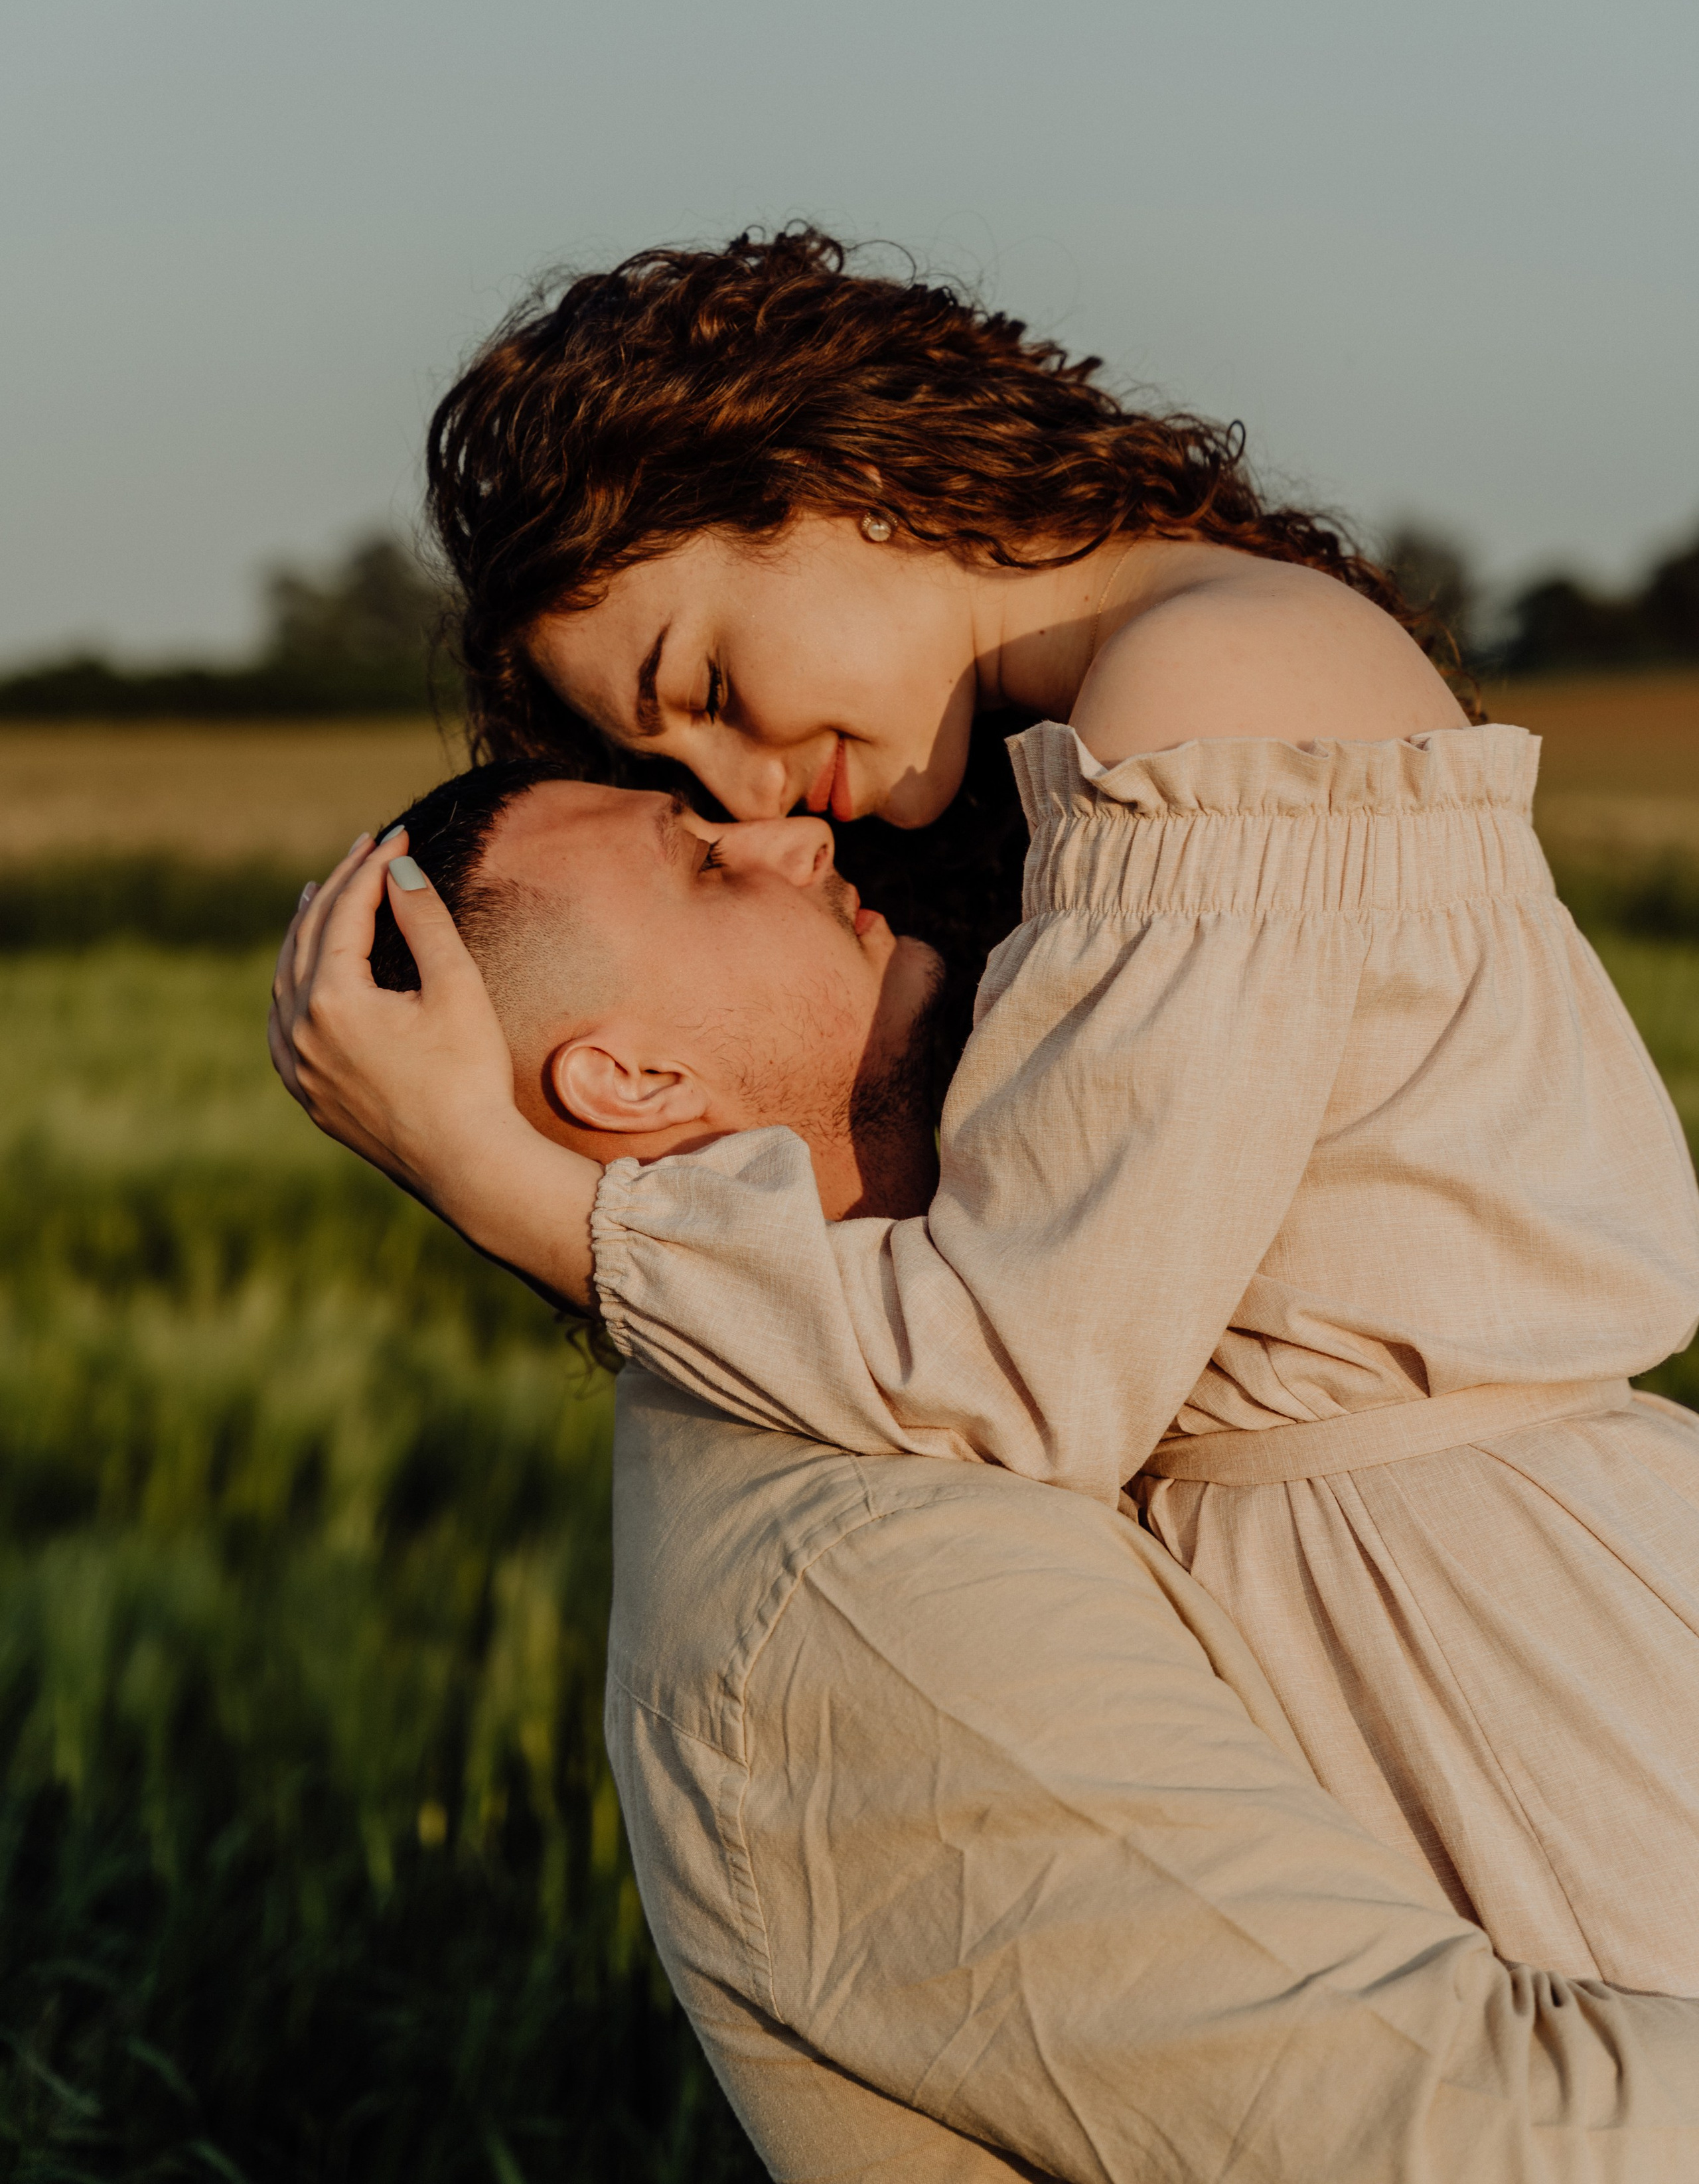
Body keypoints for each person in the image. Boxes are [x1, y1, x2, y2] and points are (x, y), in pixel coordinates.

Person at [273, 228, 1699, 1994]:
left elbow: (1035, 1362)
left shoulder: (1215, 687)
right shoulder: (1133, 708)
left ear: (835, 477)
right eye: (681, 773)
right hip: (1408, 1608)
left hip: (1497, 1648)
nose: (739, 782)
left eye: (706, 685)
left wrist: (516, 1188)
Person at [273, 763, 1699, 2179]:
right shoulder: (862, 1580)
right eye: (704, 860)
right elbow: (1490, 2137)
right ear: (633, 1079)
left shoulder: (993, 1364)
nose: (792, 831)